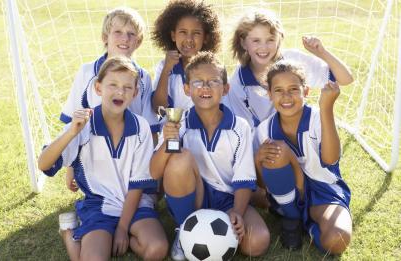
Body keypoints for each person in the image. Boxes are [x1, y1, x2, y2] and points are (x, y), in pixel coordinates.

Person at [38, 56, 168, 261]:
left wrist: (123, 229)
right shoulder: (82, 124)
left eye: (127, 87)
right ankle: (69, 234)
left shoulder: (141, 127)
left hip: (135, 203)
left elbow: (137, 184)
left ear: (135, 93)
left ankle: (119, 238)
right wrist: (71, 133)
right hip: (100, 205)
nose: (120, 92)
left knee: (157, 249)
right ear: (98, 88)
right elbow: (43, 164)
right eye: (113, 85)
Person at [150, 52, 270, 261]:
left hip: (229, 198)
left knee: (257, 242)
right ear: (187, 90)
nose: (205, 87)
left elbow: (244, 180)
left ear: (225, 88)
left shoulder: (240, 127)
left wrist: (238, 212)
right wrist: (169, 143)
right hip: (194, 194)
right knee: (180, 158)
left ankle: (224, 228)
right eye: (197, 82)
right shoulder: (179, 123)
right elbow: (154, 172)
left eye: (213, 81)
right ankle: (184, 230)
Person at [255, 61, 352, 253]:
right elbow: (263, 185)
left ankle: (308, 224)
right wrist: (258, 160)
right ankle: (292, 217)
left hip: (324, 191)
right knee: (278, 151)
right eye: (278, 90)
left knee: (338, 240)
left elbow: (331, 160)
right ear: (269, 94)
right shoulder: (264, 130)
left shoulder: (317, 117)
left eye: (293, 89)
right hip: (288, 193)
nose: (286, 96)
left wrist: (326, 108)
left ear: (305, 91)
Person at [61, 7, 159, 192]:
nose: (125, 39)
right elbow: (72, 124)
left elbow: (150, 127)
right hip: (94, 161)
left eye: (131, 34)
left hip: (131, 158)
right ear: (105, 37)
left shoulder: (143, 77)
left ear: (138, 42)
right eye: (118, 32)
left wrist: (150, 173)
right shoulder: (87, 72)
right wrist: (70, 168)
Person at [224, 9, 353, 149]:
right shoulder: (238, 82)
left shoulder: (293, 60)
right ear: (243, 43)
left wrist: (321, 52)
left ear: (279, 39)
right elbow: (244, 133)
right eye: (256, 40)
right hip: (270, 147)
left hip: (303, 138)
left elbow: (346, 79)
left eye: (270, 40)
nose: (263, 47)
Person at [151, 0, 221, 112]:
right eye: (183, 32)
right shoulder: (164, 66)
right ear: (173, 36)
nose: (189, 39)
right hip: (173, 128)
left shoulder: (214, 68)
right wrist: (166, 70)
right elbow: (158, 108)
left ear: (206, 38)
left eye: (196, 33)